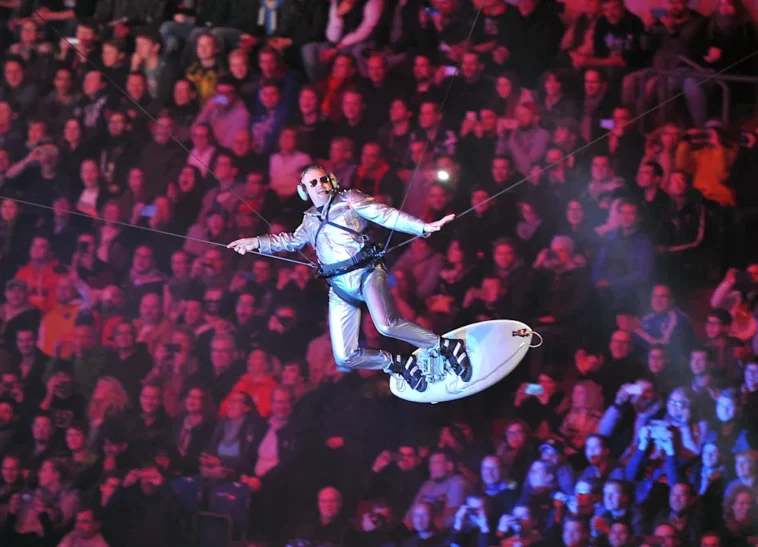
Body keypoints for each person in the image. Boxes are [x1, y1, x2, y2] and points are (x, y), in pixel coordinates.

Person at [228, 165, 471, 392]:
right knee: (344, 356)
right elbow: (289, 241)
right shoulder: (309, 220)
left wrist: (423, 227)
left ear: (332, 180)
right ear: (304, 191)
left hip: (367, 273)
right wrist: (255, 242)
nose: (321, 185)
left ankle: (443, 346)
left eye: (324, 179)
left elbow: (385, 215)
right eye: (313, 183)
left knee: (386, 325)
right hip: (340, 287)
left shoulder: (349, 199)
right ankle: (395, 363)